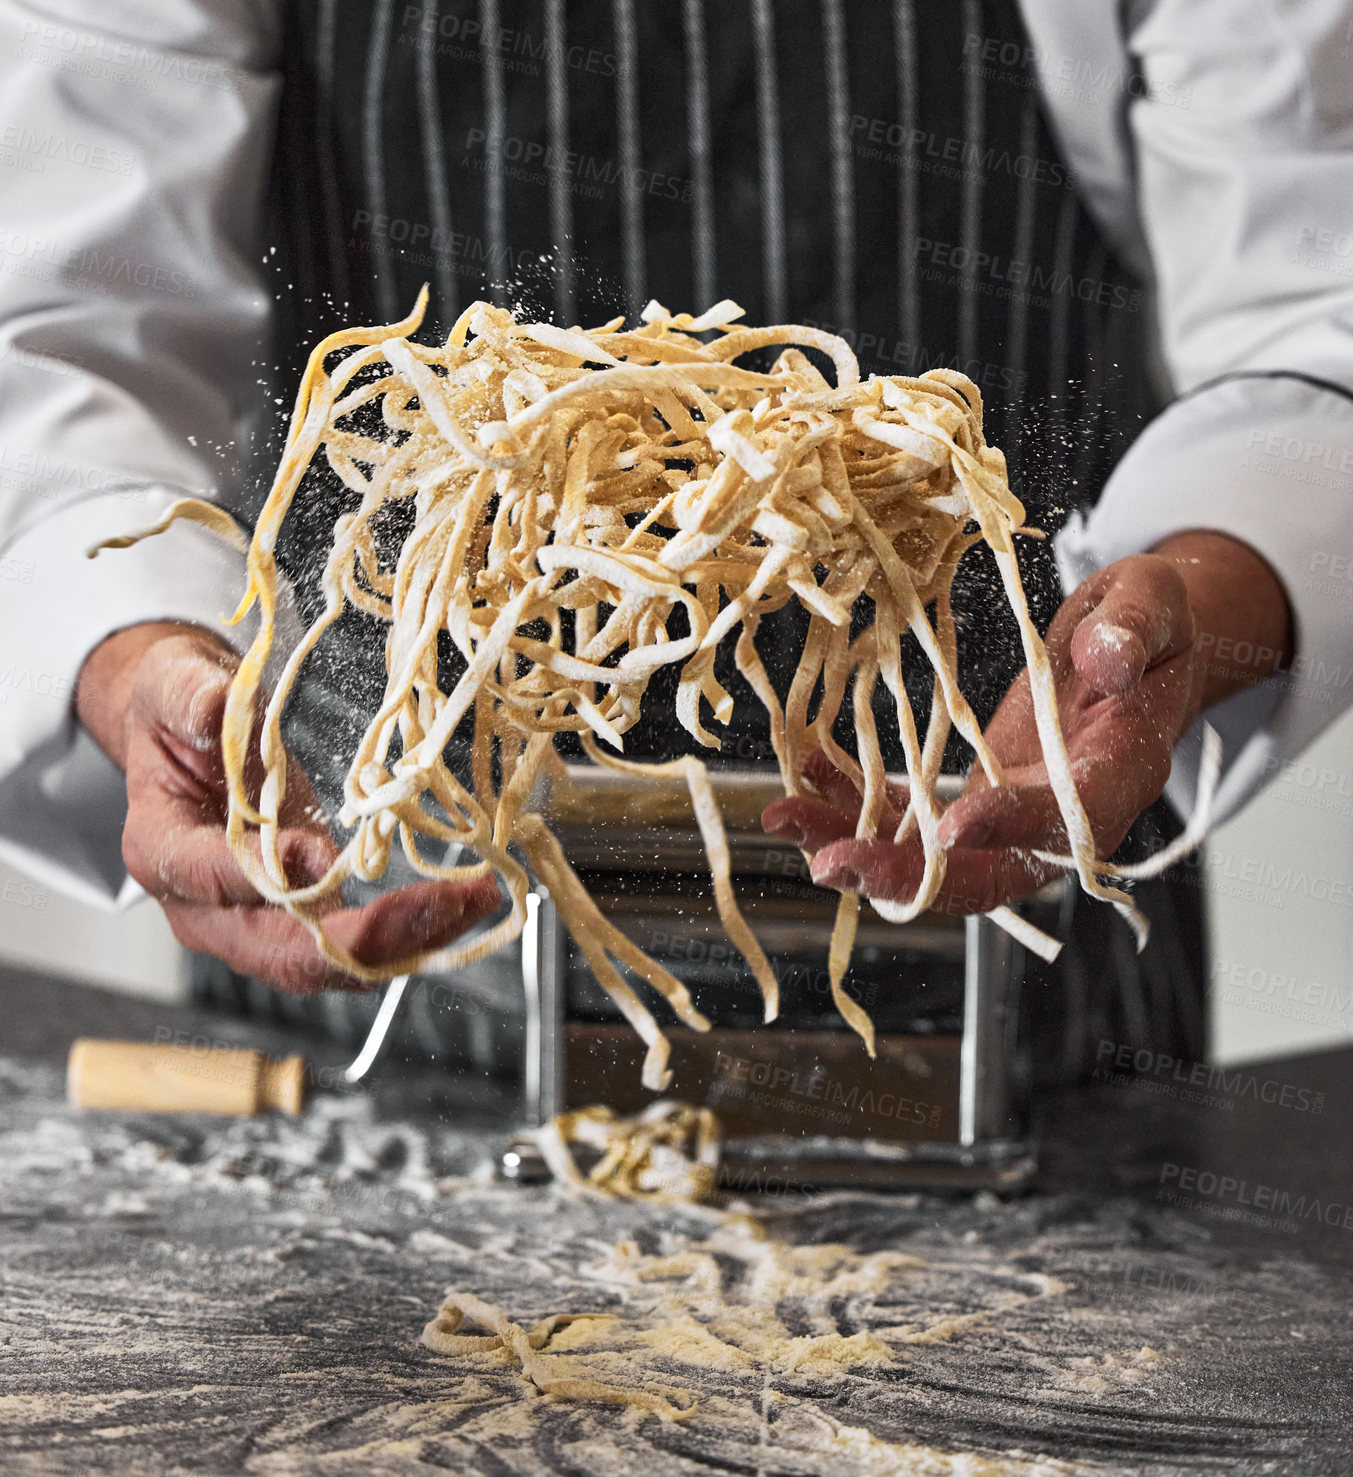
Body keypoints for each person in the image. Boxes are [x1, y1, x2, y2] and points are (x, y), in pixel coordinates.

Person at [0, 2, 1346, 1056]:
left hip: (1012, 944)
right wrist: (133, 662)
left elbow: (1318, 308)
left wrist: (1184, 607)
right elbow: (63, 332)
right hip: (374, 951)